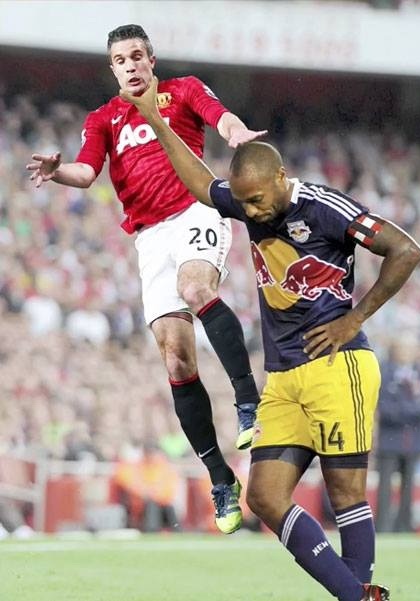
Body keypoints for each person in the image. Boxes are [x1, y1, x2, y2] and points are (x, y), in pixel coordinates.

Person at [122, 78, 420, 601]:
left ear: (281, 178)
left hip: (337, 365)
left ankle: (356, 595)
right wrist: (154, 119)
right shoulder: (247, 200)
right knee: (263, 496)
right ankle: (359, 596)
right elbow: (202, 186)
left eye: (258, 201)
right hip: (283, 377)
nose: (253, 213)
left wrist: (354, 319)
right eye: (244, 204)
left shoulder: (325, 207)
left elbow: (406, 250)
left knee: (345, 492)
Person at [26, 24, 267, 535]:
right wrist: (56, 171)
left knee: (196, 288)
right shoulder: (103, 119)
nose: (130, 65)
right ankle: (220, 477)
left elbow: (220, 118)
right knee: (176, 357)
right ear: (113, 69)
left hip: (195, 209)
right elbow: (86, 173)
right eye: (120, 59)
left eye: (137, 56)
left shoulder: (182, 91)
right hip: (149, 238)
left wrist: (236, 133)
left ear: (151, 60)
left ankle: (249, 401)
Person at [375, 335, 420, 533]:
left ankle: (404, 526)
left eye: (409, 349)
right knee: (385, 485)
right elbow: (382, 403)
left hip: (413, 440)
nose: (406, 353)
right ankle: (382, 526)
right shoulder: (384, 372)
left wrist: (407, 411)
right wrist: (408, 412)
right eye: (402, 348)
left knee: (409, 485)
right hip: (390, 439)